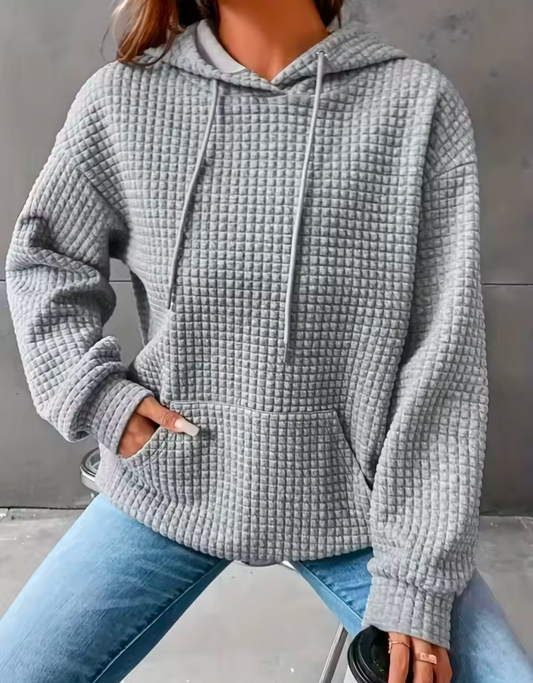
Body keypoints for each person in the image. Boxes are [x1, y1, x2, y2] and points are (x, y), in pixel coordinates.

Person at [1, 1, 532, 681]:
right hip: (170, 478)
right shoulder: (123, 99)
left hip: (356, 507)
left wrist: (417, 580)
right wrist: (98, 396)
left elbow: (442, 359)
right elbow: (43, 260)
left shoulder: (415, 106)